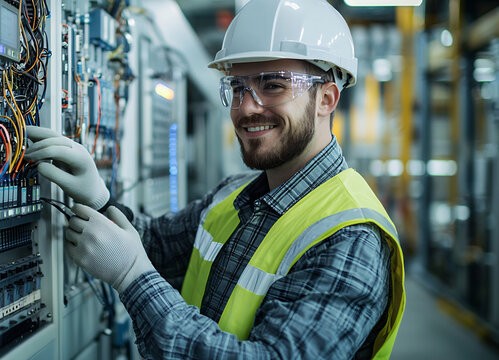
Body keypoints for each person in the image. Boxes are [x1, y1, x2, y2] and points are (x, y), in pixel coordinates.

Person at [25, 0, 405, 358]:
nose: (247, 108)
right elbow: (155, 246)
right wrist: (98, 199)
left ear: (327, 99)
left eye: (273, 85)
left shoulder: (351, 239)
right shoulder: (235, 194)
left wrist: (132, 277)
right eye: (238, 87)